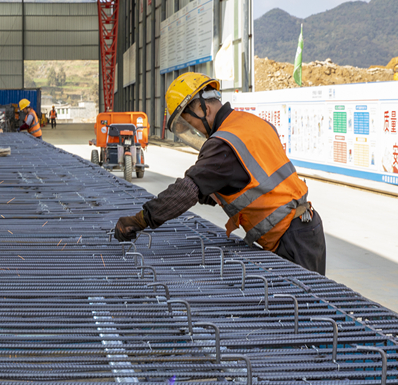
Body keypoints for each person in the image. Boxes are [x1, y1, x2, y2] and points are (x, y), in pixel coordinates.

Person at [114, 72, 326, 274]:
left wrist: (139, 220)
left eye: (189, 123)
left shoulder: (225, 143)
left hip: (292, 238)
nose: (194, 130)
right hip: (304, 228)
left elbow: (187, 191)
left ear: (202, 108)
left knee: (304, 308)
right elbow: (247, 181)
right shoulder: (249, 123)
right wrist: (204, 188)